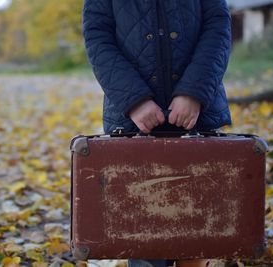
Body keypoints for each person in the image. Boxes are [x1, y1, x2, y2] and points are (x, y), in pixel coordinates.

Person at [82, 0, 232, 266]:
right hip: (132, 125)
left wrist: (193, 92)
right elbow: (97, 36)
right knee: (143, 236)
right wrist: (134, 100)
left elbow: (218, 26)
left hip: (198, 118)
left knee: (198, 231)